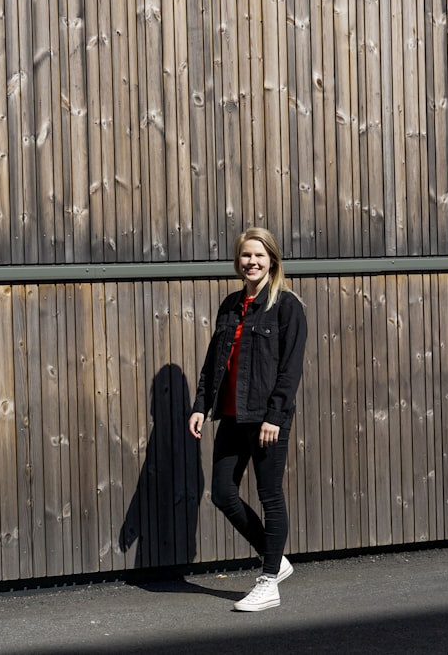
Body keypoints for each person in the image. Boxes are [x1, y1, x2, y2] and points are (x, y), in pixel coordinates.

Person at [188, 227, 308, 612]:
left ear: (272, 260)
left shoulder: (287, 307)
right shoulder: (230, 306)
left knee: (270, 496)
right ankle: (276, 557)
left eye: (259, 255)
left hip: (267, 418)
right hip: (230, 415)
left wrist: (276, 415)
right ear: (237, 262)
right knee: (223, 492)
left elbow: (290, 371)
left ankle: (268, 580)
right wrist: (200, 405)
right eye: (245, 256)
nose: (251, 262)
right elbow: (213, 363)